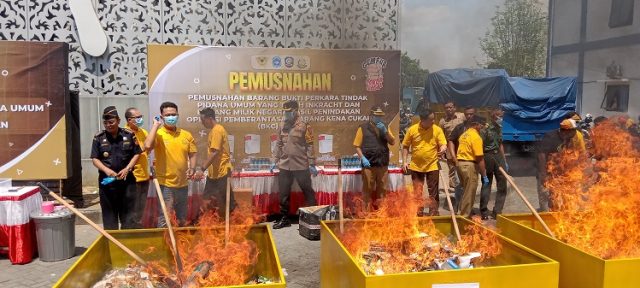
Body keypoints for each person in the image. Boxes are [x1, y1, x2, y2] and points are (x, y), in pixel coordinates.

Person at [144, 102, 197, 227]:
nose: (171, 117)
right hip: (165, 184)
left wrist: (192, 168)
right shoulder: (158, 134)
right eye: (167, 115)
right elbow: (147, 146)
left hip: (183, 183)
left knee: (182, 217)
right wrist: (155, 126)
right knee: (165, 218)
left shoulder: (186, 135)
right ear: (162, 117)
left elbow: (193, 153)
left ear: (178, 115)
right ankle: (165, 244)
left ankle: (181, 244)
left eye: (173, 114)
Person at [90, 106, 141, 229]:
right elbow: (95, 159)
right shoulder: (99, 137)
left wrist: (128, 168)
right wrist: (106, 170)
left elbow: (137, 153)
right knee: (109, 218)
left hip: (127, 183)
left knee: (128, 218)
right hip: (107, 185)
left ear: (118, 121)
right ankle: (112, 244)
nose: (108, 125)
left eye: (111, 122)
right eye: (105, 123)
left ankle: (126, 244)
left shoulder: (129, 135)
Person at [271, 100, 318, 229]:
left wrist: (312, 163)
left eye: (289, 112)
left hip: (301, 165)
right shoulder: (282, 124)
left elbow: (309, 144)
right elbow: (279, 144)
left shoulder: (304, 125)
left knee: (308, 191)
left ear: (296, 111)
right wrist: (274, 160)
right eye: (285, 112)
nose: (286, 114)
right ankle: (284, 218)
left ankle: (314, 217)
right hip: (285, 165)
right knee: (283, 194)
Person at [402, 109, 447, 216]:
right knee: (417, 192)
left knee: (433, 192)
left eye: (433, 119)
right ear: (422, 120)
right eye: (431, 120)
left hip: (432, 165)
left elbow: (443, 143)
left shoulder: (437, 130)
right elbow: (405, 146)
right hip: (416, 166)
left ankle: (433, 212)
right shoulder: (412, 130)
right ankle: (419, 212)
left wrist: (443, 148)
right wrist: (404, 161)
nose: (433, 121)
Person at [536, 118, 586, 211]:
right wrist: (543, 173)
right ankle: (544, 216)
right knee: (545, 196)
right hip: (547, 172)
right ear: (566, 131)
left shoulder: (569, 138)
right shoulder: (550, 137)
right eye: (573, 131)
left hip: (560, 174)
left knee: (557, 198)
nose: (575, 133)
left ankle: (557, 218)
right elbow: (541, 154)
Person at [353, 106, 396, 210]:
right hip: (368, 164)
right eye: (377, 116)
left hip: (382, 164)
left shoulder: (385, 127)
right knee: (367, 189)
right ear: (371, 116)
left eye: (380, 116)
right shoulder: (362, 128)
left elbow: (392, 142)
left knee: (383, 189)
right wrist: (362, 158)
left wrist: (385, 131)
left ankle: (382, 213)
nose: (379, 118)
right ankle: (366, 214)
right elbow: (357, 146)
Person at [196, 108, 236, 216]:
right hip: (214, 174)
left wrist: (201, 169)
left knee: (228, 202)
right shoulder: (214, 131)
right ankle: (205, 223)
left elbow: (214, 152)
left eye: (203, 120)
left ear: (209, 118)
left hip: (222, 173)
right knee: (207, 201)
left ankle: (236, 223)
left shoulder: (217, 130)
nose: (202, 122)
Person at [456, 115, 489, 217]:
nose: (483, 127)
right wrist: (484, 175)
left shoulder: (464, 135)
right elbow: (479, 158)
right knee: (469, 193)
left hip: (460, 164)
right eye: (482, 125)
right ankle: (463, 218)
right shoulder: (476, 137)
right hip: (469, 165)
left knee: (465, 191)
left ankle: (460, 213)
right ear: (477, 125)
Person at [478, 107, 508, 220]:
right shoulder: (485, 129)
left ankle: (498, 210)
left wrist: (504, 160)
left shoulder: (499, 127)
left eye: (502, 116)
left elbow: (500, 144)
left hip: (498, 156)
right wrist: (481, 164)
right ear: (492, 116)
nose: (501, 118)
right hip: (488, 156)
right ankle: (484, 211)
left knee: (502, 184)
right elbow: (480, 146)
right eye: (499, 116)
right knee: (487, 184)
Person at [123, 107, 150, 228]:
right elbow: (139, 150)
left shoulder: (142, 132)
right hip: (133, 178)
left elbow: (148, 148)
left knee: (141, 209)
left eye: (141, 117)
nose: (140, 119)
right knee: (131, 210)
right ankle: (128, 231)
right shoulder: (124, 134)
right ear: (129, 120)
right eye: (137, 117)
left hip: (144, 176)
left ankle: (138, 227)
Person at [447, 106, 476, 211]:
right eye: (467, 114)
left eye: (471, 114)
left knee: (471, 187)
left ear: (475, 114)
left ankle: (468, 208)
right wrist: (454, 157)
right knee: (459, 185)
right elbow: (450, 140)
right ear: (464, 114)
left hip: (474, 163)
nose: (469, 116)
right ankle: (459, 207)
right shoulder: (459, 128)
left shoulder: (479, 128)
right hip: (459, 162)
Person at [437, 101, 465, 209]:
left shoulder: (462, 116)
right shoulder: (442, 121)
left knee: (462, 169)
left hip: (463, 147)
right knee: (452, 169)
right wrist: (441, 150)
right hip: (450, 148)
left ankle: (460, 187)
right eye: (446, 108)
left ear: (455, 107)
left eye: (450, 107)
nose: (449, 109)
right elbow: (440, 136)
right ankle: (455, 189)